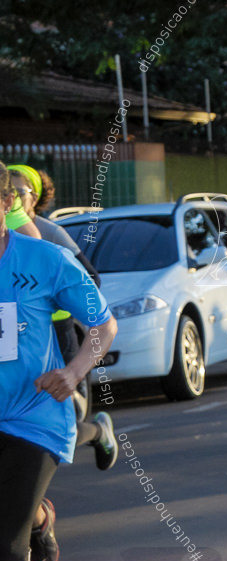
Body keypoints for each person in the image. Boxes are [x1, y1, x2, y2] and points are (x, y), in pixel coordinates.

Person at [0, 162, 118, 561]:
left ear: (7, 203)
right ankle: (42, 554)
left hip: (35, 417)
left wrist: (73, 373)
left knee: (5, 545)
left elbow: (103, 325)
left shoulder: (44, 258)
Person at [8, 165, 118, 465]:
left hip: (56, 329)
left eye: (21, 191)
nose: (17, 196)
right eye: (13, 188)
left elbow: (90, 281)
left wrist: (50, 303)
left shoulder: (47, 235)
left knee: (66, 407)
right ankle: (38, 510)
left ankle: (95, 431)